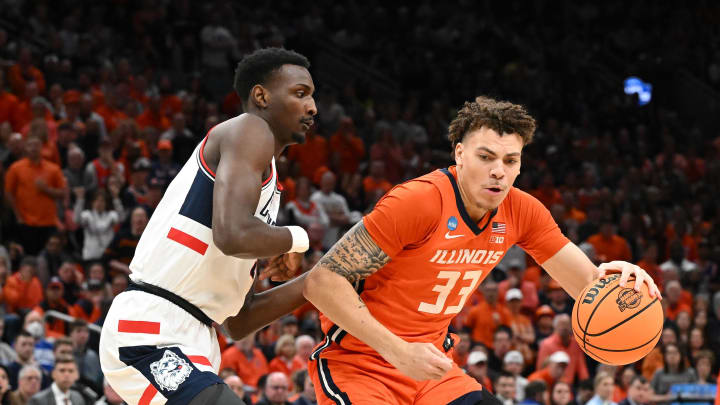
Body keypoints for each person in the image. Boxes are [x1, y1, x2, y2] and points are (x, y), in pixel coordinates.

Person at [302, 96, 659, 404]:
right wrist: (398, 350)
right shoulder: (419, 201)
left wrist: (621, 285)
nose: (498, 172)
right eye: (486, 157)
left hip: (432, 370)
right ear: (459, 154)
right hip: (361, 363)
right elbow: (321, 281)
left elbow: (587, 285)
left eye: (510, 161)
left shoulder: (523, 210)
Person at [99, 47, 317, 405]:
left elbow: (238, 320)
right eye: (300, 93)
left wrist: (314, 282)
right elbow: (232, 236)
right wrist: (296, 239)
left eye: (312, 96)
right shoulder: (250, 129)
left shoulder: (263, 188)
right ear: (261, 95)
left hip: (197, 340)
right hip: (152, 327)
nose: (313, 108)